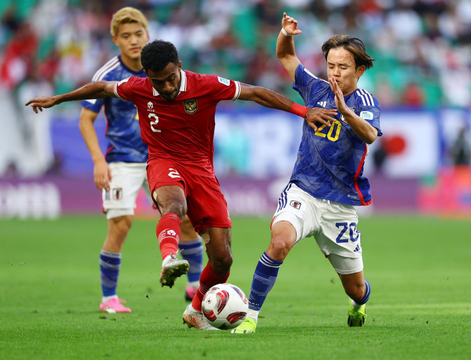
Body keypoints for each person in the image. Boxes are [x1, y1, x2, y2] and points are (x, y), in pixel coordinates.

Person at [26, 39, 329, 329]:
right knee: (175, 205)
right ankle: (170, 256)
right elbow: (102, 87)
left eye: (172, 78)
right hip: (162, 161)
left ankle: (195, 310)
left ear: (180, 66)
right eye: (160, 81)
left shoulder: (206, 85)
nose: (167, 87)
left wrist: (304, 111)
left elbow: (256, 93)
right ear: (147, 76)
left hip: (202, 171)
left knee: (223, 260)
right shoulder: (138, 88)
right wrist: (59, 99)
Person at [232, 13, 382, 334]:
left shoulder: (366, 102)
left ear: (359, 70)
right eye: (331, 65)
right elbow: (286, 55)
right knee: (279, 242)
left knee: (355, 289)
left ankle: (359, 304)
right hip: (303, 191)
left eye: (343, 67)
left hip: (340, 205)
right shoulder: (315, 89)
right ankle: (250, 316)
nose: (335, 73)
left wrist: (346, 113)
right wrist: (286, 33)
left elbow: (369, 134)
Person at [77, 7, 204, 313]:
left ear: (148, 34)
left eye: (138, 34)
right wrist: (98, 160)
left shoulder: (162, 68)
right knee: (121, 224)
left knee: (186, 218)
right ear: (115, 39)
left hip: (163, 157)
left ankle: (195, 286)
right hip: (122, 159)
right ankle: (109, 297)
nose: (133, 40)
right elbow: (85, 120)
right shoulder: (107, 74)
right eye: (126, 36)